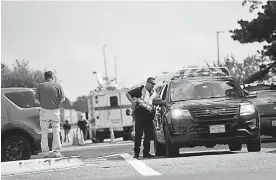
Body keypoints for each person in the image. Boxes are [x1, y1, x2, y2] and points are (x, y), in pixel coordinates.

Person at [35, 70, 65, 158]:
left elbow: (36, 100)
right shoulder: (57, 86)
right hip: (55, 111)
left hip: (44, 111)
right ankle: (56, 152)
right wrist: (56, 103)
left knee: (44, 132)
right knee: (56, 131)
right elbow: (63, 99)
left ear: (45, 77)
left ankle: (45, 152)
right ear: (52, 77)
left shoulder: (40, 86)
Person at [126, 77, 158, 159]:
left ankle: (146, 153)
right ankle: (136, 153)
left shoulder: (154, 93)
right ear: (147, 83)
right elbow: (128, 94)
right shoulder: (140, 89)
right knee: (138, 135)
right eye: (152, 84)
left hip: (149, 117)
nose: (153, 86)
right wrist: (132, 102)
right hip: (140, 116)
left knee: (148, 136)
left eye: (154, 84)